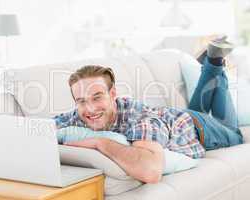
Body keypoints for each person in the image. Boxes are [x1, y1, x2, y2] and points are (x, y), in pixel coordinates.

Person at [53, 36, 243, 183]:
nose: (90, 108)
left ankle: (215, 64)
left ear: (113, 95)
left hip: (200, 128)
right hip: (177, 118)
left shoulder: (138, 117)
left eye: (97, 97)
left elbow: (151, 171)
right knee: (195, 109)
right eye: (81, 101)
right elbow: (43, 128)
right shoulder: (81, 114)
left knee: (236, 135)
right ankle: (209, 67)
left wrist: (101, 143)